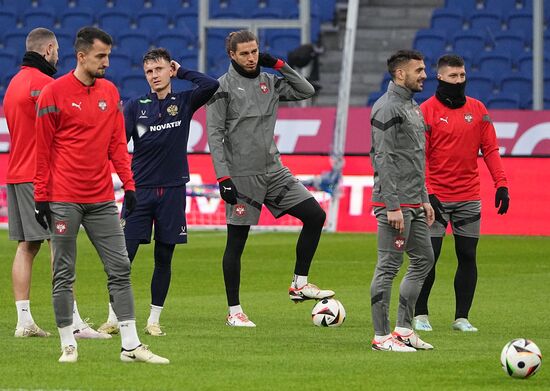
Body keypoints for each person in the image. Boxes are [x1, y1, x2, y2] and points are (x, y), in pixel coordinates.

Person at [34, 26, 168, 364]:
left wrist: (130, 184)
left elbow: (116, 146)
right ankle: (68, 344)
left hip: (102, 199)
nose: (107, 62)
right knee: (64, 272)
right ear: (81, 56)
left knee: (120, 267)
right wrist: (41, 196)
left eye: (108, 55)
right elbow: (43, 150)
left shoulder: (110, 91)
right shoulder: (53, 93)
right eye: (100, 56)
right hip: (64, 198)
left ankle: (130, 345)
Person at [206, 30, 334, 327]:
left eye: (255, 52)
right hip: (242, 176)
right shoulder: (221, 88)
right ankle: (234, 311)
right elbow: (214, 136)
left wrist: (278, 64)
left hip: (274, 171)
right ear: (232, 56)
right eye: (245, 53)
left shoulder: (269, 82)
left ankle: (299, 284)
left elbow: (306, 90)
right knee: (237, 242)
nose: (251, 58)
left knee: (315, 215)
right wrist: (223, 177)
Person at [97, 48, 219, 336]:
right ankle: (114, 317)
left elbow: (211, 85)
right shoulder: (136, 107)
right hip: (139, 192)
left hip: (173, 191)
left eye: (160, 69)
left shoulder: (185, 101)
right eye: (149, 72)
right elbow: (118, 145)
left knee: (164, 257)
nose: (154, 76)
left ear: (170, 70)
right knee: (123, 258)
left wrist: (184, 71)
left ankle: (153, 320)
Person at [3, 27, 107, 340]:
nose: (59, 56)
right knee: (60, 245)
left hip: (15, 172)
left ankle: (24, 321)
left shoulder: (13, 85)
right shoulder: (47, 84)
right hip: (43, 177)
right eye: (57, 51)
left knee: (27, 246)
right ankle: (72, 320)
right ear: (49, 49)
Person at [413, 54, 509, 333]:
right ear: (440, 77)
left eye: (462, 76)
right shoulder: (426, 111)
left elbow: (490, 149)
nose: (458, 81)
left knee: (468, 254)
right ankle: (420, 314)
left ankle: (461, 318)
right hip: (435, 198)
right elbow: (419, 156)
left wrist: (501, 184)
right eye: (453, 76)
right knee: (429, 256)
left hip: (468, 195)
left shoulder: (478, 109)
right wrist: (426, 192)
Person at [369, 49, 435, 352]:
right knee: (388, 266)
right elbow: (383, 158)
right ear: (400, 74)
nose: (424, 75)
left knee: (424, 260)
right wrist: (392, 204)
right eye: (418, 70)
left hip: (413, 201)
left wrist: (424, 198)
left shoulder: (412, 107)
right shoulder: (386, 108)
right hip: (394, 204)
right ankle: (381, 337)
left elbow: (415, 157)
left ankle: (404, 330)